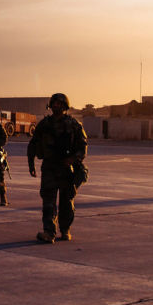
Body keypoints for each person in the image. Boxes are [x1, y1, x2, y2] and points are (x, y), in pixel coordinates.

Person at [27, 93, 88, 244]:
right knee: (48, 201)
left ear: (65, 106)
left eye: (59, 104)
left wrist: (72, 159)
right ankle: (49, 232)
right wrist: (31, 164)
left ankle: (65, 230)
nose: (56, 106)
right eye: (54, 103)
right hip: (49, 167)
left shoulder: (73, 124)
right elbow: (33, 144)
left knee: (67, 202)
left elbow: (83, 148)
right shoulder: (44, 124)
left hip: (67, 168)